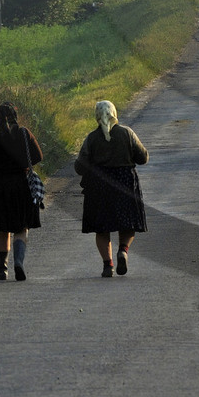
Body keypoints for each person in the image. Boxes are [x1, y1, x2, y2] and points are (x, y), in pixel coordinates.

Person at [74, 100, 149, 278]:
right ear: (114, 113)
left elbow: (79, 167)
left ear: (97, 117)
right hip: (125, 183)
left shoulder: (91, 138)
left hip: (99, 187)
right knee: (128, 223)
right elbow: (143, 157)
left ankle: (108, 265)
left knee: (102, 228)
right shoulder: (127, 133)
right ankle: (123, 250)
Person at [0, 102, 43, 281]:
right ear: (16, 116)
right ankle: (18, 262)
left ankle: (2, 269)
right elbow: (38, 156)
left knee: (1, 228)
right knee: (21, 227)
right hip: (21, 186)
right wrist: (22, 166)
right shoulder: (24, 134)